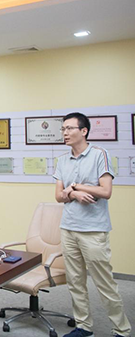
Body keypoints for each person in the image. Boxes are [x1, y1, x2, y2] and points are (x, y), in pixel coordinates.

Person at [54, 112, 131, 337]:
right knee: (75, 282)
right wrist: (74, 194)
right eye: (63, 129)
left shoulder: (100, 154)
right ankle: (83, 327)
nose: (65, 133)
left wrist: (75, 187)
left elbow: (106, 191)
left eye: (69, 128)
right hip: (68, 228)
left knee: (104, 283)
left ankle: (122, 330)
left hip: (93, 230)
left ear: (84, 131)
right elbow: (58, 196)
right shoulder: (62, 160)